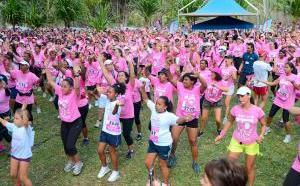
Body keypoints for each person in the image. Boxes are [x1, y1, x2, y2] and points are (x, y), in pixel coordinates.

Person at [140, 84, 193, 186]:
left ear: (165, 107)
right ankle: (155, 180)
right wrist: (142, 89)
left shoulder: (169, 116)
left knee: (162, 165)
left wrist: (185, 118)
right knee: (148, 163)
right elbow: (146, 99)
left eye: (159, 104)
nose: (156, 105)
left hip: (164, 144)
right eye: (156, 103)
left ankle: (166, 183)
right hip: (153, 142)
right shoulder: (153, 110)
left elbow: (178, 120)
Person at [215, 86, 266, 186]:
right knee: (229, 165)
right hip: (236, 141)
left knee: (249, 167)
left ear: (249, 95)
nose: (240, 98)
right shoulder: (235, 109)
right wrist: (221, 135)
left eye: (242, 96)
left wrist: (261, 135)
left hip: (252, 143)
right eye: (238, 96)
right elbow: (230, 122)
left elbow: (264, 124)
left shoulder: (257, 110)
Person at [45, 63, 84, 175]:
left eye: (65, 86)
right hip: (64, 123)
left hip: (75, 122)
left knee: (70, 145)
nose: (62, 88)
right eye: (61, 85)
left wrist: (76, 74)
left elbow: (77, 86)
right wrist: (46, 67)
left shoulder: (74, 94)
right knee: (65, 145)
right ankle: (71, 161)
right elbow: (51, 81)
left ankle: (78, 163)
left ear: (70, 87)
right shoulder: (60, 91)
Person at [167, 72, 207, 174]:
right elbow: (171, 78)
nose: (183, 81)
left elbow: (205, 85)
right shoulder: (180, 86)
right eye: (183, 79)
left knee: (193, 141)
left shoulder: (197, 89)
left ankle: (195, 162)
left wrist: (199, 76)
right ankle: (172, 156)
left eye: (186, 80)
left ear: (192, 82)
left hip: (192, 119)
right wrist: (168, 67)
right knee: (174, 139)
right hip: (180, 117)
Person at [263, 62, 300, 143]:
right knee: (270, 115)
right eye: (284, 67)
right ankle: (267, 128)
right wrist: (264, 82)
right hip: (278, 99)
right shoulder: (282, 76)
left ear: (291, 68)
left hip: (288, 102)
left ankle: (288, 135)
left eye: (287, 67)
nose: (285, 69)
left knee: (285, 119)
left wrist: (292, 81)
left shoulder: (295, 77)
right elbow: (273, 83)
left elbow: (298, 88)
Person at [96, 83, 126, 182]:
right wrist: (98, 90)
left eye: (110, 92)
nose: (108, 94)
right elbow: (97, 93)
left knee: (112, 152)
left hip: (113, 132)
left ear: (116, 94)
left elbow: (114, 112)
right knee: (100, 150)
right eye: (108, 92)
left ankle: (115, 172)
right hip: (105, 130)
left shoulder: (118, 103)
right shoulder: (106, 99)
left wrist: (117, 105)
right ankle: (105, 167)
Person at [0, 108, 34, 186]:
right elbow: (4, 122)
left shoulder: (26, 128)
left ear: (23, 120)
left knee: (23, 177)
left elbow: (26, 121)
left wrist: (23, 109)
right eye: (14, 117)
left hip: (24, 156)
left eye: (16, 118)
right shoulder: (13, 126)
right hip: (15, 155)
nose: (14, 119)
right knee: (13, 174)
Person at [199, 67, 228, 136]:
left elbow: (226, 89)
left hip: (217, 101)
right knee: (203, 118)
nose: (211, 74)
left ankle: (219, 129)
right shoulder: (208, 79)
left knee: (218, 120)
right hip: (207, 100)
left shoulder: (221, 82)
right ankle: (201, 131)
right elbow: (202, 84)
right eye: (211, 72)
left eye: (213, 73)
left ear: (217, 74)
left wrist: (216, 85)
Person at [0, 74, 11, 152]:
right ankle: (1, 146)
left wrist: (5, 86)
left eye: (0, 82)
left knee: (4, 131)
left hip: (5, 114)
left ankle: (13, 146)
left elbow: (8, 92)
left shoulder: (6, 91)